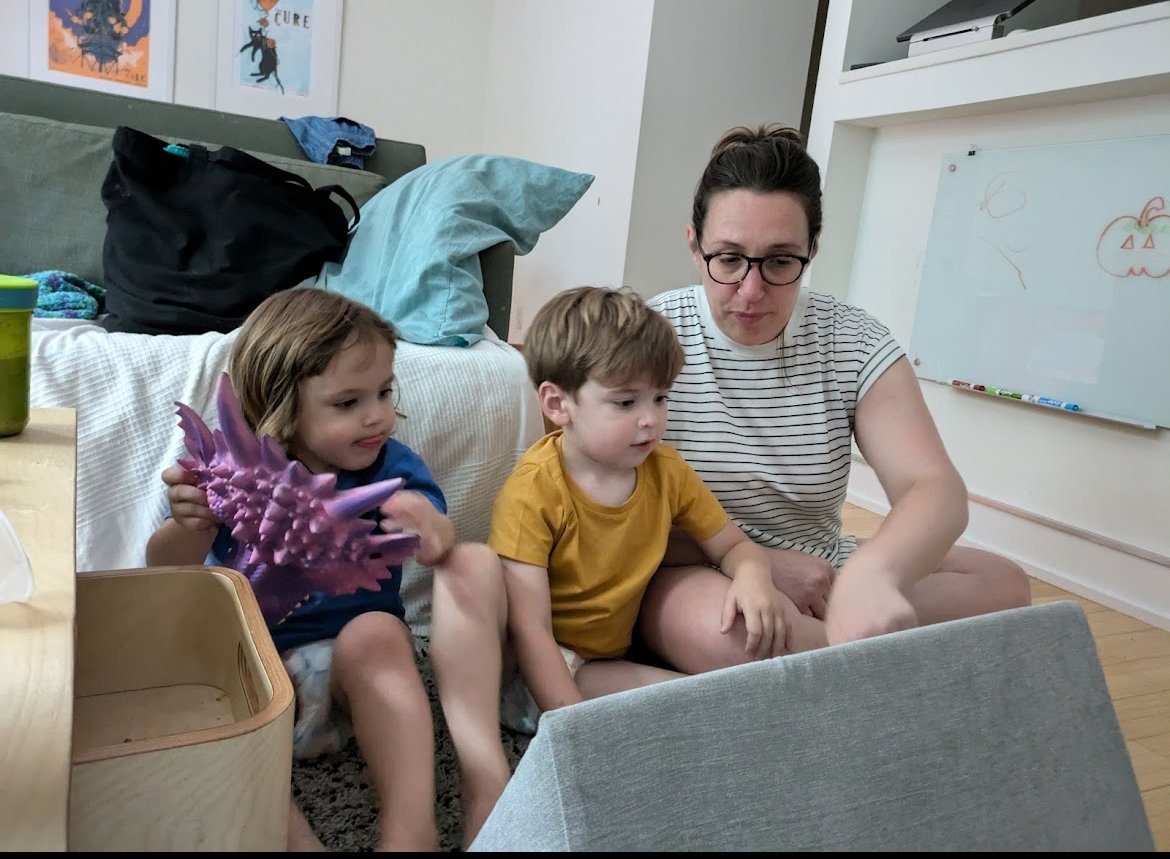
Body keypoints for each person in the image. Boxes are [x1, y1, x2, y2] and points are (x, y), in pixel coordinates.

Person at [637, 123, 1031, 670]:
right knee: (730, 634)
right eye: (728, 259)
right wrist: (762, 565)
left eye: (779, 262)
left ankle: (820, 653)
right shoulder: (648, 336)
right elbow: (607, 509)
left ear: (812, 249)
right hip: (688, 572)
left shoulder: (853, 340)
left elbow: (933, 487)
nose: (751, 293)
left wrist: (871, 578)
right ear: (693, 244)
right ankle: (861, 660)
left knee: (1003, 586)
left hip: (825, 572)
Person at [145, 288, 510, 851]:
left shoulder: (390, 468)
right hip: (250, 681)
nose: (378, 415)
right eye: (348, 403)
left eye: (385, 391)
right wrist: (188, 525)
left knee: (380, 632)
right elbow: (165, 575)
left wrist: (427, 526)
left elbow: (441, 548)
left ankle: (411, 831)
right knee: (189, 696)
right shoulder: (235, 474)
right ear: (280, 404)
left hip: (352, 679)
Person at [487, 286, 824, 723]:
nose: (651, 419)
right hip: (547, 671)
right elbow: (531, 630)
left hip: (615, 653)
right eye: (626, 402)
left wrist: (754, 578)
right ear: (558, 404)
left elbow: (732, 546)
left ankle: (865, 664)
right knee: (701, 709)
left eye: (660, 398)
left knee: (738, 687)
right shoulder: (535, 491)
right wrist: (568, 725)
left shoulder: (664, 468)